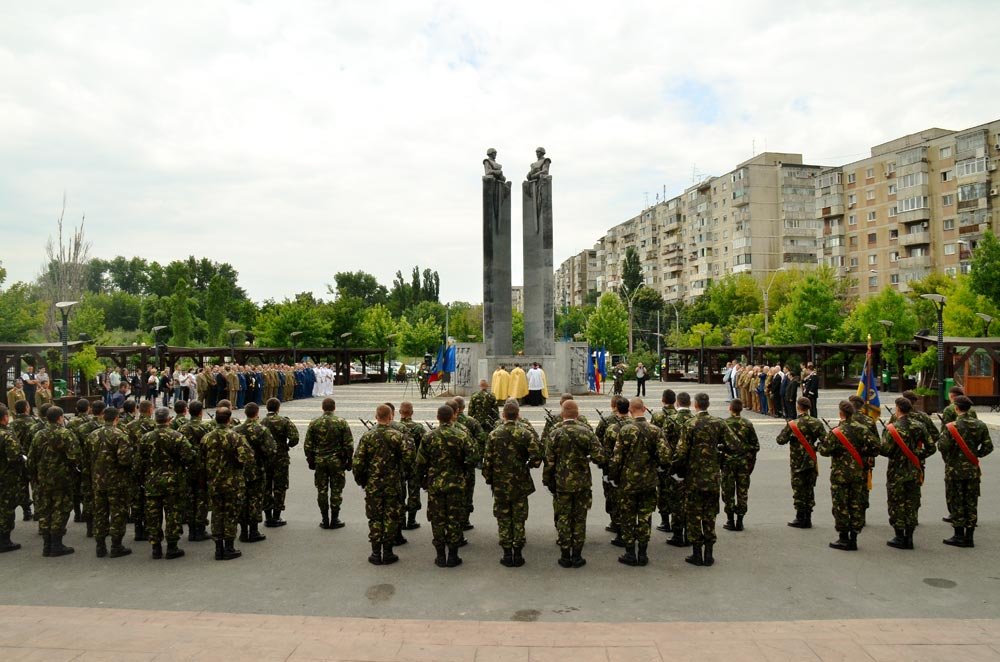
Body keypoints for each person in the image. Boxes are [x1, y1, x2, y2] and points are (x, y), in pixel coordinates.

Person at [673, 393, 739, 567]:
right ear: (708, 405)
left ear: (696, 405)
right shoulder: (719, 423)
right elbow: (735, 445)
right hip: (712, 477)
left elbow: (681, 453)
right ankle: (709, 553)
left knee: (694, 515)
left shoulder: (690, 424)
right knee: (710, 515)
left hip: (693, 477)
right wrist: (719, 453)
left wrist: (676, 470)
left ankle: (696, 553)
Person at [543, 400, 605, 569]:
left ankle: (565, 555)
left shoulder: (555, 433)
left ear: (562, 414)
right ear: (577, 414)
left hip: (561, 483)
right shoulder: (586, 433)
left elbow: (549, 461)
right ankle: (577, 556)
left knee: (563, 517)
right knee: (579, 518)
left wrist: (548, 481)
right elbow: (600, 457)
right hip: (582, 483)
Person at [610, 398, 670, 566]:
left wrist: (614, 477)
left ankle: (630, 553)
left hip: (628, 481)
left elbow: (616, 458)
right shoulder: (655, 430)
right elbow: (665, 457)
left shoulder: (626, 430)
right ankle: (643, 553)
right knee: (645, 517)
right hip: (649, 481)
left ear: (630, 410)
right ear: (644, 409)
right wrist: (657, 467)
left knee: (628, 517)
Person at [482, 400, 542, 567]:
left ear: (503, 415)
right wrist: (528, 465)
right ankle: (518, 553)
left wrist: (489, 479)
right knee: (519, 517)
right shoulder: (525, 433)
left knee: (503, 517)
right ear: (518, 415)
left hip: (500, 483)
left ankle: (507, 553)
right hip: (520, 482)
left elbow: (487, 461)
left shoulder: (494, 434)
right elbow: (537, 457)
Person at [416, 404, 477, 567]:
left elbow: (420, 462)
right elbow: (472, 458)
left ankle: (440, 555)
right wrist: (463, 472)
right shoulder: (461, 435)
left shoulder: (428, 437)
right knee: (454, 519)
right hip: (456, 484)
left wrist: (423, 480)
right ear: (453, 417)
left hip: (435, 485)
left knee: (437, 520)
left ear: (438, 418)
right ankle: (453, 555)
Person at [353, 404, 412, 565]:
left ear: (376, 416)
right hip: (393, 483)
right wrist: (401, 474)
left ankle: (375, 553)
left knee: (375, 518)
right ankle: (388, 552)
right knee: (391, 517)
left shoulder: (367, 437)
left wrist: (362, 481)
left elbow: (358, 462)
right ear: (391, 416)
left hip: (374, 484)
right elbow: (408, 459)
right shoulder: (398, 436)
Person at [817, 401, 877, 551]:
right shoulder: (862, 429)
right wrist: (862, 452)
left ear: (841, 413)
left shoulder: (837, 431)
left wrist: (821, 446)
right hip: (858, 472)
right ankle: (854, 537)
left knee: (841, 505)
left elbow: (825, 451)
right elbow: (876, 448)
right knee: (855, 504)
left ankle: (843, 538)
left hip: (840, 474)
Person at [139, 407, 196, 559]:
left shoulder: (146, 437)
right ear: (169, 420)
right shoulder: (177, 436)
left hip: (152, 482)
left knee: (153, 515)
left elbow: (139, 461)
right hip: (173, 482)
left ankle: (156, 548)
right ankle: (172, 546)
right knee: (173, 514)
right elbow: (190, 456)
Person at [880, 397, 936, 550]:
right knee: (912, 503)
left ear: (898, 409)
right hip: (914, 469)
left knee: (896, 503)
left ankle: (899, 536)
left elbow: (885, 450)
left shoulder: (893, 428)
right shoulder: (919, 426)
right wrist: (918, 454)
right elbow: (931, 447)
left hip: (896, 471)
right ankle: (909, 537)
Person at [938, 395, 993, 548]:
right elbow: (988, 447)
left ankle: (958, 535)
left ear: (956, 408)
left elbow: (942, 447)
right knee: (971, 502)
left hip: (954, 471)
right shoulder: (980, 425)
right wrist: (975, 454)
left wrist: (951, 457)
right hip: (972, 471)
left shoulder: (951, 426)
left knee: (956, 502)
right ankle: (969, 537)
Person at [27, 406, 80, 557]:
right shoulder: (65, 434)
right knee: (60, 509)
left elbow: (31, 459)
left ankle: (46, 544)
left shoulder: (38, 434)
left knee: (45, 509)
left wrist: (35, 475)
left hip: (43, 479)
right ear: (59, 418)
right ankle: (56, 544)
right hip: (61, 479)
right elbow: (75, 456)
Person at [203, 408, 252, 560]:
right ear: (229, 420)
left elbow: (201, 459)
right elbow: (247, 457)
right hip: (232, 482)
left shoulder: (206, 437)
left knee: (217, 513)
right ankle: (229, 547)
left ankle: (218, 548)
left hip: (214, 482)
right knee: (231, 513)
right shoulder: (235, 436)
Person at [87, 407, 133, 558]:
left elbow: (87, 458)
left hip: (98, 481)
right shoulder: (120, 435)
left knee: (100, 513)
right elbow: (124, 460)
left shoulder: (93, 435)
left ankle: (100, 546)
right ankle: (116, 545)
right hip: (116, 482)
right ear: (116, 419)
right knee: (118, 513)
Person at [304, 398, 354, 529]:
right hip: (337, 461)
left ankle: (324, 518)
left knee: (322, 490)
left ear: (322, 408)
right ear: (334, 408)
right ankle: (335, 518)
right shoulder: (341, 422)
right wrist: (349, 461)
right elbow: (348, 444)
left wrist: (310, 460)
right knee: (336, 490)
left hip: (320, 461)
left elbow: (308, 445)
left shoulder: (314, 422)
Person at [776, 397, 824, 529]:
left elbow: (780, 440)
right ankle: (808, 517)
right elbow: (825, 441)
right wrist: (815, 447)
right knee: (809, 488)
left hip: (797, 462)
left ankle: (800, 517)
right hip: (811, 460)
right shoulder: (816, 423)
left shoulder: (793, 424)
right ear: (808, 408)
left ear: (798, 407)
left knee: (798, 488)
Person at [235, 403, 276, 544]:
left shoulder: (237, 429)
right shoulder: (261, 430)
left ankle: (243, 531)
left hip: (240, 470)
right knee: (255, 499)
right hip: (257, 469)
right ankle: (253, 530)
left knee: (242, 499)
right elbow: (271, 450)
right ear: (257, 412)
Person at [260, 398, 299, 528]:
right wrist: (286, 445)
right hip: (281, 458)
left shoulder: (261, 422)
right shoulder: (284, 421)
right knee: (280, 487)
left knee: (266, 487)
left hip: (265, 458)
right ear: (278, 408)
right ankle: (277, 516)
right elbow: (294, 438)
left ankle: (268, 516)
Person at [721, 399, 759, 532]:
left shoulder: (724, 424)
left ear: (730, 408)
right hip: (743, 463)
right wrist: (749, 459)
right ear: (741, 409)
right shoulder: (747, 424)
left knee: (728, 491)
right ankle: (740, 520)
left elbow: (719, 445)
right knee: (742, 492)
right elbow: (755, 446)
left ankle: (730, 520)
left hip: (728, 463)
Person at [178, 401, 212, 542]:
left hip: (188, 468)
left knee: (190, 498)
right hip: (202, 468)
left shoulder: (182, 429)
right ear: (200, 412)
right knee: (202, 499)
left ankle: (192, 530)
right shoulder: (206, 427)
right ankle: (200, 529)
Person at [596, 396, 627, 540]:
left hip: (611, 466)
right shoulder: (632, 423)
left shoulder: (607, 422)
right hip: (630, 468)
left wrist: (604, 465)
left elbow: (598, 441)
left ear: (612, 405)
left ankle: (616, 522)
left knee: (611, 495)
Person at [650, 389, 681, 535]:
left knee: (662, 490)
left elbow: (653, 437)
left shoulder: (657, 416)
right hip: (678, 459)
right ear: (674, 401)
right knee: (677, 491)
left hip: (663, 459)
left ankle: (665, 521)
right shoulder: (679, 416)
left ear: (663, 400)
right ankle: (677, 521)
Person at [126, 400, 157, 541]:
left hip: (134, 465)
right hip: (150, 466)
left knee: (136, 497)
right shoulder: (154, 426)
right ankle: (149, 528)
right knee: (150, 498)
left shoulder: (129, 426)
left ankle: (138, 529)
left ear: (139, 409)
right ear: (150, 410)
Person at [0, 405, 25, 553]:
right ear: (4, 418)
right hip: (6, 478)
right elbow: (15, 457)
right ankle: (4, 540)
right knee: (6, 508)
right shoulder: (7, 435)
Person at [397, 402, 425, 530]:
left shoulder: (395, 427)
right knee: (413, 492)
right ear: (412, 412)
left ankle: (401, 520)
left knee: (400, 493)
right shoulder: (418, 428)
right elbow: (424, 446)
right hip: (414, 465)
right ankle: (411, 520)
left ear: (399, 412)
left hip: (399, 465)